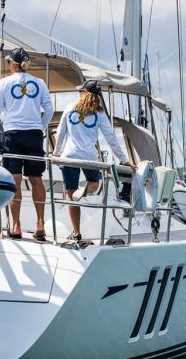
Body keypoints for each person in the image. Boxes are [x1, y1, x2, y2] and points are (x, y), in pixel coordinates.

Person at [53, 79, 130, 242]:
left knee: (71, 196)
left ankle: (76, 232)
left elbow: (60, 133)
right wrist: (124, 160)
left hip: (69, 156)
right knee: (94, 184)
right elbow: (110, 137)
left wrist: (56, 153)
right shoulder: (99, 113)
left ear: (83, 93)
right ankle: (85, 190)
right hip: (89, 157)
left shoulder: (69, 108)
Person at [0, 47, 53, 241]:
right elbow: (49, 110)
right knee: (36, 178)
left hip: (12, 134)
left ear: (12, 64)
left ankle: (16, 225)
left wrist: (1, 129)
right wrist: (39, 127)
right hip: (34, 135)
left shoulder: (4, 83)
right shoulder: (40, 83)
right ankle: (40, 223)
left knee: (15, 179)